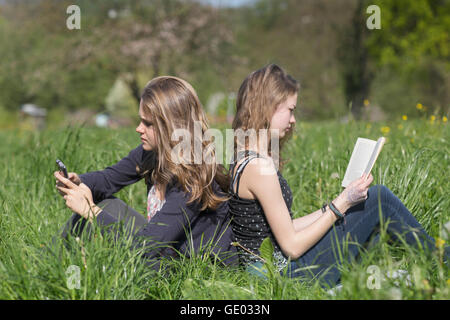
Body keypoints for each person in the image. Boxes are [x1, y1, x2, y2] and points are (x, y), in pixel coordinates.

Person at [227, 64, 449, 288]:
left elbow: (285, 227)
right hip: (283, 276)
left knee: (363, 212)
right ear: (268, 107)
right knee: (378, 198)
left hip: (274, 270)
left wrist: (335, 205)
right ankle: (442, 260)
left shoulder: (247, 158)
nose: (293, 120)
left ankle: (419, 264)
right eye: (290, 110)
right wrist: (342, 204)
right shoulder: (258, 167)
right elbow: (292, 246)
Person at [54, 76, 237, 269]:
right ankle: (49, 266)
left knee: (134, 257)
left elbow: (147, 246)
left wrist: (90, 211)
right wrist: (78, 181)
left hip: (194, 268)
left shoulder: (192, 178)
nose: (138, 129)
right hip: (165, 250)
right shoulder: (151, 154)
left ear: (173, 126)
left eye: (148, 124)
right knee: (107, 204)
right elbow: (109, 179)